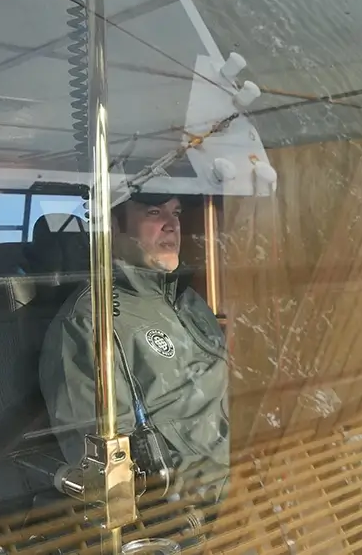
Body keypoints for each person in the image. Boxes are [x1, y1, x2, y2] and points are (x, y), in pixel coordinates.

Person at [38, 193, 230, 500]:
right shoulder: (90, 322)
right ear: (111, 228)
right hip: (199, 501)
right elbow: (113, 474)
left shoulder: (188, 300)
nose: (172, 226)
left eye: (176, 213)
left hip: (255, 469)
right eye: (154, 212)